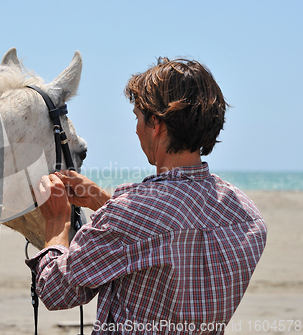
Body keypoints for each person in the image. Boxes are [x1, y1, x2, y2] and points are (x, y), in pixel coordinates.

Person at [26, 57, 267, 334]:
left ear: (156, 124)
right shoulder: (248, 217)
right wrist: (101, 201)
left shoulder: (131, 214)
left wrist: (57, 222)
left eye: (138, 118)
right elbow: (167, 233)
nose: (136, 129)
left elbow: (57, 290)